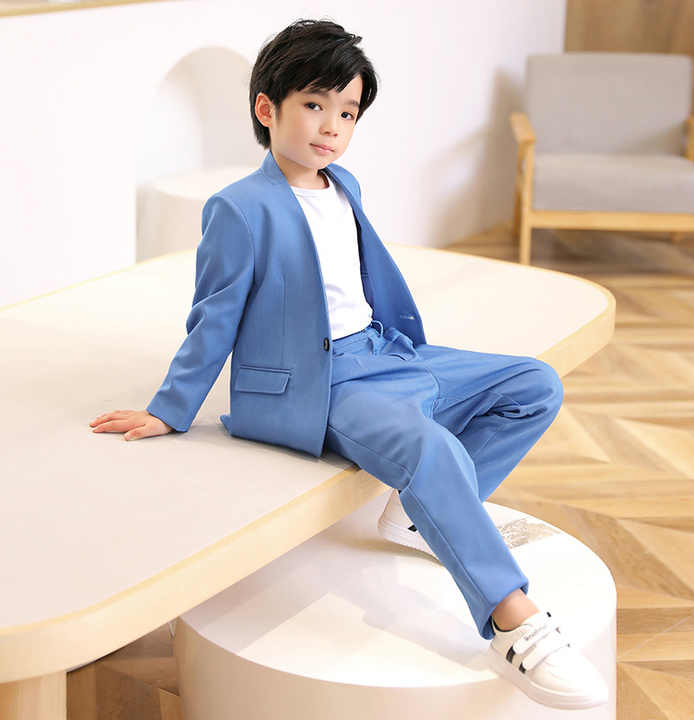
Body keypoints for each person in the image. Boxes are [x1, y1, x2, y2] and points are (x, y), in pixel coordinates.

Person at [89, 17, 608, 710]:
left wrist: (397, 345)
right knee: (427, 447)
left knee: (533, 384)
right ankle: (514, 621)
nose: (331, 126)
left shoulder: (345, 186)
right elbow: (213, 316)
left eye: (348, 112)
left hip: (385, 353)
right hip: (321, 381)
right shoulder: (239, 209)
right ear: (266, 108)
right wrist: (169, 409)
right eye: (314, 104)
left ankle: (421, 519)